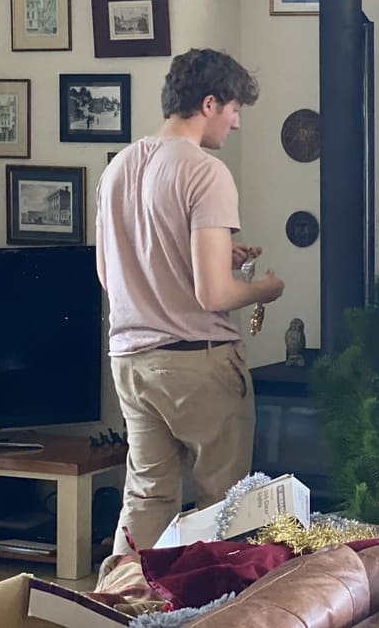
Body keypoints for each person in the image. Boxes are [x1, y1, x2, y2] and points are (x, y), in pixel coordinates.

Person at [96, 47, 285, 558]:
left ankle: (119, 603)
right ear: (208, 103)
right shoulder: (206, 173)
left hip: (131, 362)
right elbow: (214, 296)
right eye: (234, 110)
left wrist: (218, 256)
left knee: (147, 496)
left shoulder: (118, 169)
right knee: (224, 505)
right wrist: (265, 290)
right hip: (198, 363)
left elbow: (112, 277)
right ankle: (212, 611)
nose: (236, 123)